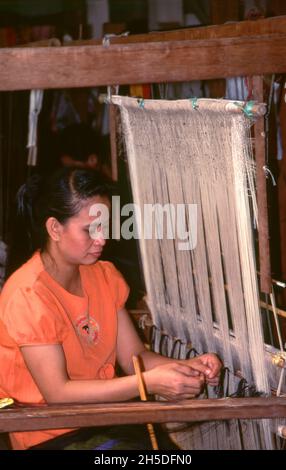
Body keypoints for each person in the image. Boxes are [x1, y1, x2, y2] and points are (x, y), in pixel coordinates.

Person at [0, 168, 222, 450]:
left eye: (105, 226)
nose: (102, 239)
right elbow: (59, 394)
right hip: (50, 434)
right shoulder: (28, 294)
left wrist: (186, 368)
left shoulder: (104, 275)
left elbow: (135, 358)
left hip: (107, 419)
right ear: (55, 228)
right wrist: (148, 383)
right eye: (90, 229)